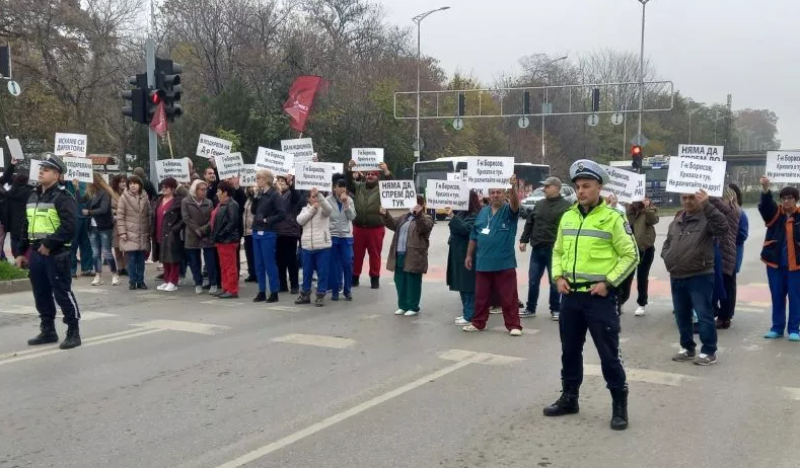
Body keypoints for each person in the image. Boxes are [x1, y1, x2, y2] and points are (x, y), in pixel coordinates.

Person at [542, 160, 638, 431]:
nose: (581, 191)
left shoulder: (613, 218)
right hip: (571, 297)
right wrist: (558, 276)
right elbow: (558, 251)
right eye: (578, 186)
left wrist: (609, 283)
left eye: (587, 186)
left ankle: (619, 404)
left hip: (599, 299)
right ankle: (569, 398)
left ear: (599, 188)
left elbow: (631, 255)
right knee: (570, 351)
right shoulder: (568, 216)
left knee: (609, 354)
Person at [15, 154, 82, 349]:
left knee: (62, 293)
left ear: (57, 175)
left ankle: (73, 330)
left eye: (47, 169)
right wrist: (20, 251)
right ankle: (48, 330)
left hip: (56, 254)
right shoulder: (33, 195)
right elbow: (26, 224)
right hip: (36, 254)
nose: (41, 171)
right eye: (41, 168)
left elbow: (70, 227)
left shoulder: (63, 197)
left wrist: (49, 244)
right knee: (41, 293)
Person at [663, 188, 728, 365]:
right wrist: (667, 256)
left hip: (699, 275)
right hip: (677, 274)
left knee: (704, 314)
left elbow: (723, 227)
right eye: (684, 198)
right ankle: (687, 347)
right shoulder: (677, 220)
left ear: (698, 199)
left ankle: (709, 351)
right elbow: (668, 242)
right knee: (682, 315)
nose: (688, 201)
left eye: (691, 197)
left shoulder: (707, 218)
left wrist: (707, 204)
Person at [462, 175, 523, 336]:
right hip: (483, 262)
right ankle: (478, 323)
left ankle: (514, 325)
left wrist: (513, 188)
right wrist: (469, 255)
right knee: (481, 296)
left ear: (504, 194)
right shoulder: (483, 212)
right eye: (493, 192)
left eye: (499, 192)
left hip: (504, 263)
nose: (496, 195)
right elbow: (474, 235)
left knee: (509, 297)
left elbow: (516, 204)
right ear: (489, 194)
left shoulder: (509, 210)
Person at [518, 176, 572, 320]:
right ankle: (530, 308)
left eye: (547, 186)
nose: (544, 188)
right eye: (544, 186)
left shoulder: (566, 206)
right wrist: (523, 240)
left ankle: (555, 309)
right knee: (533, 280)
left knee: (554, 281)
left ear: (557, 188)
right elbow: (529, 222)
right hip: (537, 248)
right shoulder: (540, 204)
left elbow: (569, 228)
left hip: (554, 250)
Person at [758, 176, 800, 341]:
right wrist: (766, 189)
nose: (786, 201)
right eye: (783, 198)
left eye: (790, 198)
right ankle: (776, 327)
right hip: (775, 264)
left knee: (795, 297)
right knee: (777, 296)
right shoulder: (776, 214)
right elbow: (766, 206)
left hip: (796, 266)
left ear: (795, 199)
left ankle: (794, 329)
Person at [381, 195, 434, 316]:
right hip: (399, 252)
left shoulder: (427, 218)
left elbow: (424, 228)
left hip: (414, 254)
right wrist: (385, 215)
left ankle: (413, 306)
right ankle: (403, 305)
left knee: (413, 281)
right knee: (400, 280)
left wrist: (418, 214)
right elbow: (392, 224)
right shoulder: (404, 217)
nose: (415, 206)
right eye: (414, 203)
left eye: (419, 204)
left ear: (423, 205)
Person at [347, 161, 393, 289]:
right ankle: (354, 277)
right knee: (356, 254)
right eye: (368, 174)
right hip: (359, 228)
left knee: (375, 254)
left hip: (376, 228)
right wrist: (350, 169)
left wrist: (386, 171)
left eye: (373, 174)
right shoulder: (358, 186)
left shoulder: (383, 188)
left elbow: (392, 185)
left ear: (378, 177)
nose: (370, 176)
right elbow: (348, 183)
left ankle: (374, 278)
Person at [617, 197, 659, 317]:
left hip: (645, 249)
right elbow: (622, 223)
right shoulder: (628, 210)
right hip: (630, 250)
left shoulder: (651, 209)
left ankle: (642, 304)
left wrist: (646, 208)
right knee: (626, 277)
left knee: (642, 276)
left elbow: (653, 220)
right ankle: (621, 301)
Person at [447, 191, 481, 326]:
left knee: (468, 285)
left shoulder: (475, 215)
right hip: (458, 253)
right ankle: (467, 312)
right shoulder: (462, 213)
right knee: (462, 284)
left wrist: (452, 217)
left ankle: (469, 315)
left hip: (467, 253)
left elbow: (467, 230)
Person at [251, 169, 285, 303]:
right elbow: (254, 211)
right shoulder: (259, 194)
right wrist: (254, 197)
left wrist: (267, 220)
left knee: (269, 263)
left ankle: (274, 291)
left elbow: (281, 214)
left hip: (268, 232)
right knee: (258, 263)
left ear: (266, 180)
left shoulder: (275, 195)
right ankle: (261, 291)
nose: (257, 181)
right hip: (256, 230)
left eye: (259, 178)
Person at [295, 187, 333, 306]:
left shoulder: (324, 209)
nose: (315, 199)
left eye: (317, 196)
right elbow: (300, 221)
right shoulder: (304, 210)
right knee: (307, 272)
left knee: (322, 272)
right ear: (308, 199)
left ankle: (320, 295)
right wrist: (312, 209)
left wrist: (319, 196)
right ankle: (305, 294)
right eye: (313, 197)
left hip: (322, 245)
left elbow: (329, 209)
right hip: (307, 246)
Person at [82, 172, 120, 286]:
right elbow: (79, 200)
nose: (87, 184)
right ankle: (98, 276)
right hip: (92, 227)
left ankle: (115, 275)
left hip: (104, 226)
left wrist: (89, 212)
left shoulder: (104, 193)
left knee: (107, 252)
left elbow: (103, 209)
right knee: (95, 253)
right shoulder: (90, 194)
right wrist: (76, 187)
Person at [182, 179, 218, 295]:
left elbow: (211, 219)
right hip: (192, 234)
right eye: (202, 190)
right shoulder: (186, 201)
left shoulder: (209, 202)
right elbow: (186, 218)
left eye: (205, 189)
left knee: (210, 261)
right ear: (195, 190)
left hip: (206, 234)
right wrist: (196, 229)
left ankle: (213, 283)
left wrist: (202, 230)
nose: (204, 192)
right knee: (194, 261)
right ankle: (198, 283)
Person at [117, 175, 151, 290]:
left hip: (142, 232)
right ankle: (132, 281)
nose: (132, 185)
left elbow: (149, 214)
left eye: (135, 183)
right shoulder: (124, 197)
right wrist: (122, 232)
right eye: (130, 183)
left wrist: (150, 230)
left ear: (140, 185)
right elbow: (120, 216)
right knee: (131, 259)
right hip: (129, 232)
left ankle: (141, 280)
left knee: (141, 259)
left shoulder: (145, 196)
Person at [714, 187, 742, 329]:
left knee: (726, 286)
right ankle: (725, 316)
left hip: (726, 252)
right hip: (727, 251)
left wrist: (706, 193)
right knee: (727, 285)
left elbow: (715, 203)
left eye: (722, 198)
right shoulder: (734, 209)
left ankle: (725, 316)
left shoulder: (731, 210)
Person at [151, 177, 184, 292]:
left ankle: (173, 281)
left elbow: (182, 219)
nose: (164, 189)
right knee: (164, 258)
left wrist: (175, 229)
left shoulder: (178, 201)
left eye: (167, 187)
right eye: (162, 187)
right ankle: (166, 280)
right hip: (159, 232)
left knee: (173, 258)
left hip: (171, 234)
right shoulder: (158, 200)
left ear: (173, 188)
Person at [327, 175, 356, 301]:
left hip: (345, 236)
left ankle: (347, 290)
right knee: (333, 264)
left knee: (348, 263)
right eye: (340, 186)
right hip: (333, 235)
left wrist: (346, 204)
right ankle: (335, 290)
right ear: (334, 188)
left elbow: (352, 216)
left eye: (344, 186)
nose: (343, 189)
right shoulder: (328, 200)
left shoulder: (349, 200)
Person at [212, 181, 241, 299]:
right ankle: (226, 288)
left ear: (225, 193)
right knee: (223, 266)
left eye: (219, 191)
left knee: (230, 266)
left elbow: (232, 222)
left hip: (228, 240)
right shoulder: (222, 204)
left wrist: (222, 234)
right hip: (222, 240)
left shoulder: (232, 204)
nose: (217, 193)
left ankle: (232, 290)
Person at [275, 174, 302, 295]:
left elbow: (297, 198)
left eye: (283, 181)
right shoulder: (276, 195)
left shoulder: (291, 193)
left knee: (291, 259)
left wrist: (291, 184)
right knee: (280, 259)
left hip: (290, 231)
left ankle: (294, 285)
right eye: (279, 180)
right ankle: (282, 284)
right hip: (278, 231)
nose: (281, 183)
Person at [67, 178, 94, 278]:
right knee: (72, 244)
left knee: (86, 243)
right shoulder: (69, 180)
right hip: (74, 215)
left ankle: (87, 268)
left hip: (85, 216)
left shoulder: (87, 179)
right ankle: (71, 269)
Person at [110, 175, 128, 276]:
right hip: (115, 223)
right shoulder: (112, 193)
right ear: (117, 183)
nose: (123, 183)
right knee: (117, 247)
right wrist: (114, 213)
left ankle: (126, 267)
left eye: (125, 181)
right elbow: (108, 207)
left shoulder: (129, 193)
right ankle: (120, 267)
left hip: (126, 223)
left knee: (126, 246)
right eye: (121, 182)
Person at [243, 187, 257, 283]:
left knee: (255, 254)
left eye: (252, 186)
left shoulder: (257, 199)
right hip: (246, 230)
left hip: (254, 229)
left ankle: (257, 274)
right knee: (249, 254)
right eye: (249, 187)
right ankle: (252, 273)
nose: (250, 188)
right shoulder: (248, 199)